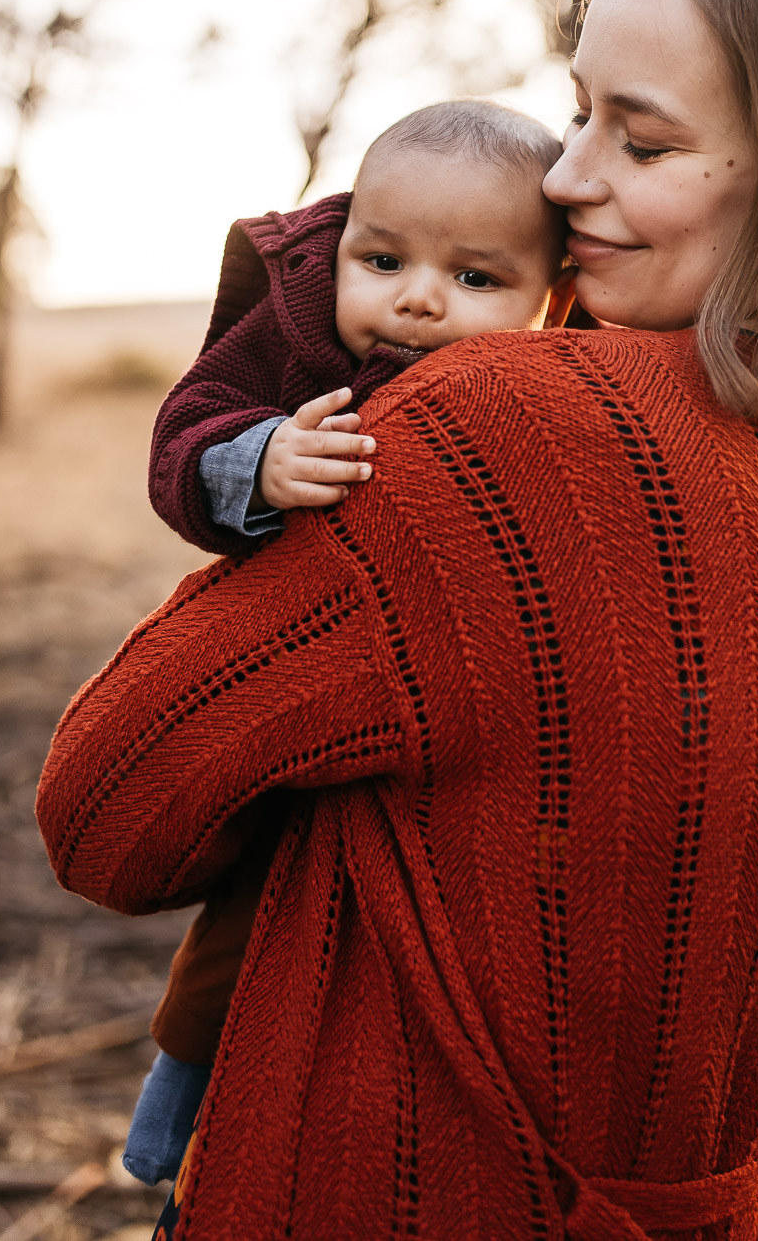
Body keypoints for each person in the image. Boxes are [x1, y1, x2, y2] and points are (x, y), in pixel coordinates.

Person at [37, 0, 758, 1241]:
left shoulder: (489, 429)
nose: (563, 175)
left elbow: (109, 813)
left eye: (642, 142)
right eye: (580, 110)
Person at [123, 98, 569, 1187]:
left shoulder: (554, 383)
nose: (416, 296)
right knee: (241, 920)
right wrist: (258, 459)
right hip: (285, 659)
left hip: (437, 710)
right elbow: (189, 425)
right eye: (383, 258)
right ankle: (173, 1129)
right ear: (342, 242)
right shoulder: (296, 328)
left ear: (553, 298)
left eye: (476, 279)